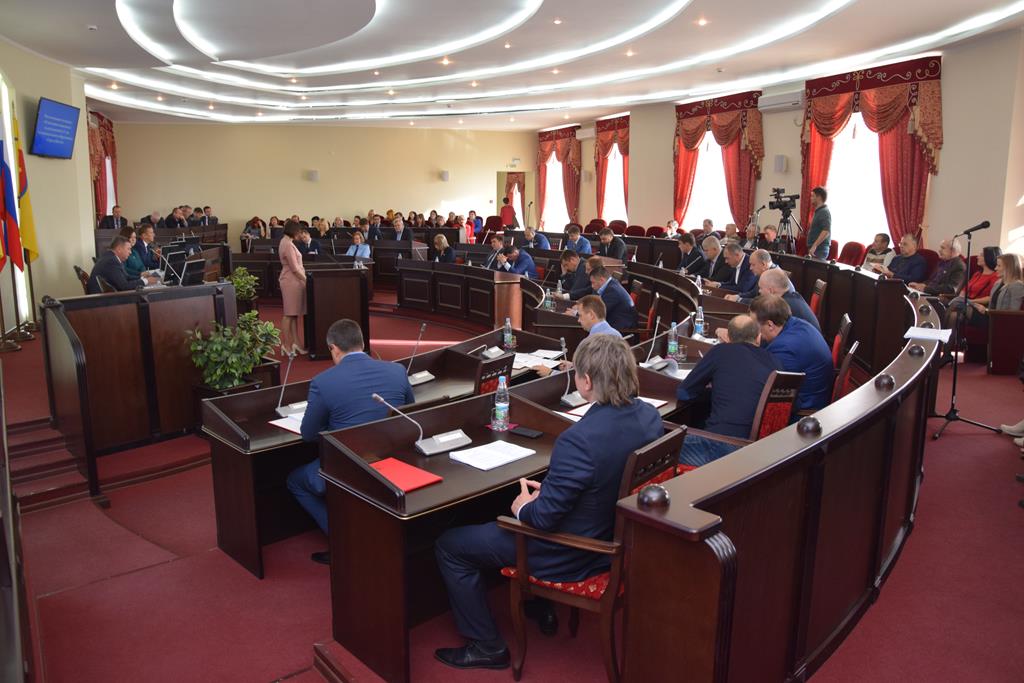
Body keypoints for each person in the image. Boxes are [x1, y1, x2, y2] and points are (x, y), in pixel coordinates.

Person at [434, 334, 663, 670]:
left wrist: (523, 507)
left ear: (586, 381)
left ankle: (487, 645)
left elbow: (542, 520)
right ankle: (540, 605)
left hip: (570, 553)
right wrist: (552, 491)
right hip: (615, 537)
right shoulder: (648, 416)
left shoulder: (579, 440)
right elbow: (603, 481)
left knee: (450, 545)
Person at [288, 319, 415, 564]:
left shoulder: (323, 382)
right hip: (392, 460)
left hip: (349, 467)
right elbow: (408, 414)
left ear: (333, 348)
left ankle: (344, 543)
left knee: (296, 481)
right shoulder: (397, 371)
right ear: (363, 344)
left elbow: (308, 435)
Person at [676, 315, 782, 466]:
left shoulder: (720, 351)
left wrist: (714, 392)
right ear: (758, 338)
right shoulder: (774, 361)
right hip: (761, 450)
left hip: (720, 446)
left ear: (728, 337)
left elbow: (684, 393)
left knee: (661, 448)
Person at [750, 295, 834, 412]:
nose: (753, 330)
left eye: (755, 325)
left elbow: (775, 394)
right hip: (814, 395)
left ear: (770, 325)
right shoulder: (796, 323)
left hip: (805, 410)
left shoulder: (784, 349)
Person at [531, 295, 621, 376]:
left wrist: (550, 373)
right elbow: (596, 369)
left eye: (580, 315)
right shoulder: (616, 334)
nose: (578, 320)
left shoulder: (590, 343)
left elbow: (583, 379)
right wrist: (573, 366)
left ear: (591, 315)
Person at [729, 268, 821, 333]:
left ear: (771, 291)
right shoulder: (790, 296)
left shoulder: (784, 306)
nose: (759, 291)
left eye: (761, 288)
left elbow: (772, 335)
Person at [944, 246, 1001, 332]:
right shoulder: (977, 274)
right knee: (950, 310)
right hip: (966, 303)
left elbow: (991, 298)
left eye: (981, 255)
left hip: (979, 308)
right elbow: (964, 289)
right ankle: (945, 337)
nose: (978, 257)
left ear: (989, 258)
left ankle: (942, 337)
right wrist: (962, 298)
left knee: (954, 312)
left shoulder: (995, 277)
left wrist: (971, 301)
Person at [963, 253, 1024, 327]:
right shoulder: (998, 283)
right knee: (959, 307)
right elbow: (992, 306)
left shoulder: (1017, 286)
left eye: (999, 266)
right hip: (990, 316)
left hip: (1001, 322)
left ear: (1009, 268)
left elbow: (1014, 313)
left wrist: (986, 310)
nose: (995, 268)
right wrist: (985, 309)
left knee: (962, 309)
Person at [87, 236, 159, 293]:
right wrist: (146, 281)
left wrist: (141, 277)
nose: (130, 252)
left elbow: (126, 277)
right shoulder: (111, 261)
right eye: (128, 249)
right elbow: (124, 286)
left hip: (106, 295)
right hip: (103, 300)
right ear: (119, 249)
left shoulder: (111, 257)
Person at [278, 220, 308, 355]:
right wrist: (307, 280)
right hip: (291, 281)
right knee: (289, 314)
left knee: (294, 314)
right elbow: (295, 269)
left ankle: (296, 343)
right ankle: (286, 345)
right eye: (298, 232)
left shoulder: (286, 242)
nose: (300, 234)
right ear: (293, 231)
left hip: (294, 281)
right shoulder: (288, 244)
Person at [589, 264, 637, 332]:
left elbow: (600, 312)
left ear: (601, 280)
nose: (592, 286)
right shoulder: (612, 284)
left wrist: (578, 313)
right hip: (615, 322)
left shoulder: (612, 291)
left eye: (593, 282)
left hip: (621, 329)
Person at [806, 186, 832, 260]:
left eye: (813, 196)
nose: (811, 198)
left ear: (819, 197)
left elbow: (826, 231)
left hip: (819, 250)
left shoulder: (824, 212)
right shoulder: (818, 211)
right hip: (815, 249)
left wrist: (814, 246)